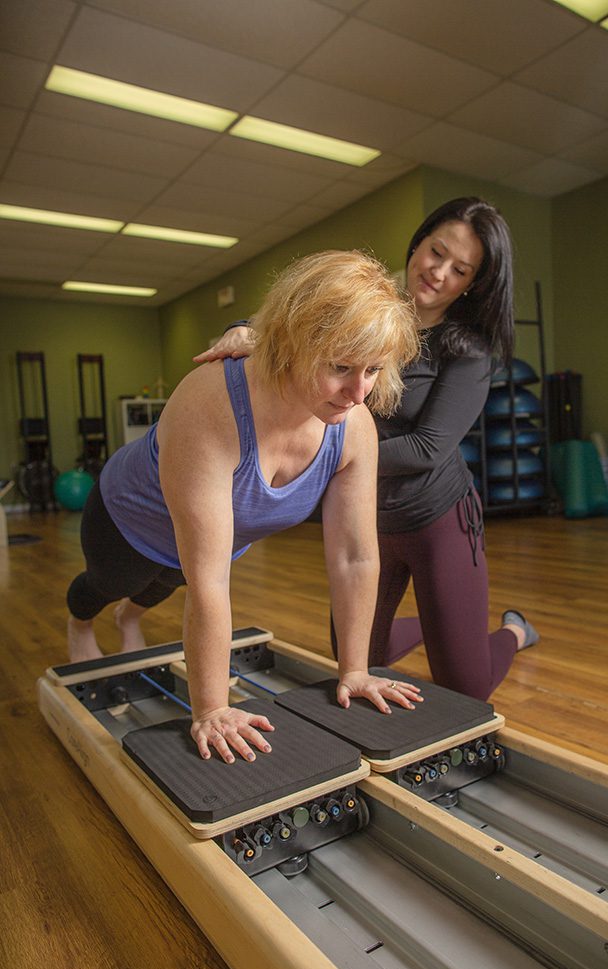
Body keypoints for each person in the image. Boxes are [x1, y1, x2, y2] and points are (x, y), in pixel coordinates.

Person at [66, 250, 423, 763]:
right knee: (114, 582)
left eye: (372, 370)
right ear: (291, 344)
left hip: (204, 543)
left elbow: (355, 557)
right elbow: (211, 582)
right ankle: (80, 623)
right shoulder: (211, 404)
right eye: (340, 367)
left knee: (166, 585)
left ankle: (130, 622)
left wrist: (356, 670)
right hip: (128, 519)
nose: (356, 392)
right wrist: (211, 709)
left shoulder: (353, 427)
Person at [197, 197, 539, 702]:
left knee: (467, 687)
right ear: (418, 242)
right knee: (354, 654)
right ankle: (436, 622)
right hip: (369, 513)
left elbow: (426, 448)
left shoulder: (467, 348)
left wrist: (329, 459)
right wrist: (242, 331)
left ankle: (512, 631)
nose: (438, 273)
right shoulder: (366, 304)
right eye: (435, 251)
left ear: (473, 283)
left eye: (459, 269)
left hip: (437, 515)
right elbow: (285, 318)